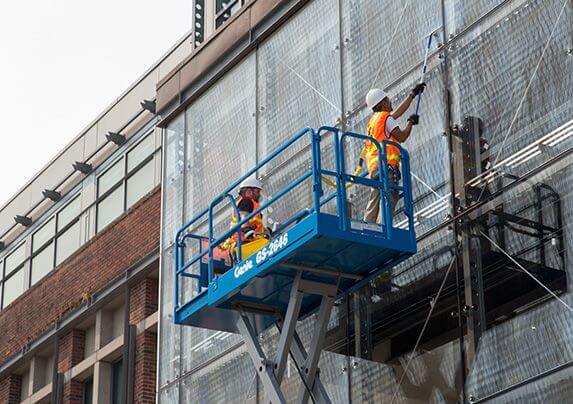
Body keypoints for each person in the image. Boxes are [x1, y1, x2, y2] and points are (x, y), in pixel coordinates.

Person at [359, 84, 425, 224]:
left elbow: (398, 113)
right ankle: (383, 227)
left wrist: (412, 95)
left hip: (375, 169)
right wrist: (410, 123)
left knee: (375, 196)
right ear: (382, 103)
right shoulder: (385, 118)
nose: (390, 102)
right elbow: (401, 137)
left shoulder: (374, 121)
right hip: (387, 168)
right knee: (389, 196)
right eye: (388, 100)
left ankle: (367, 225)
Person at [221, 177, 270, 262]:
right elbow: (243, 218)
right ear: (249, 191)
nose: (258, 194)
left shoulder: (250, 204)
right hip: (244, 244)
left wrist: (266, 231)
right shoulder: (247, 202)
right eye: (257, 191)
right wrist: (247, 230)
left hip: (246, 244)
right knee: (267, 245)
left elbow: (253, 224)